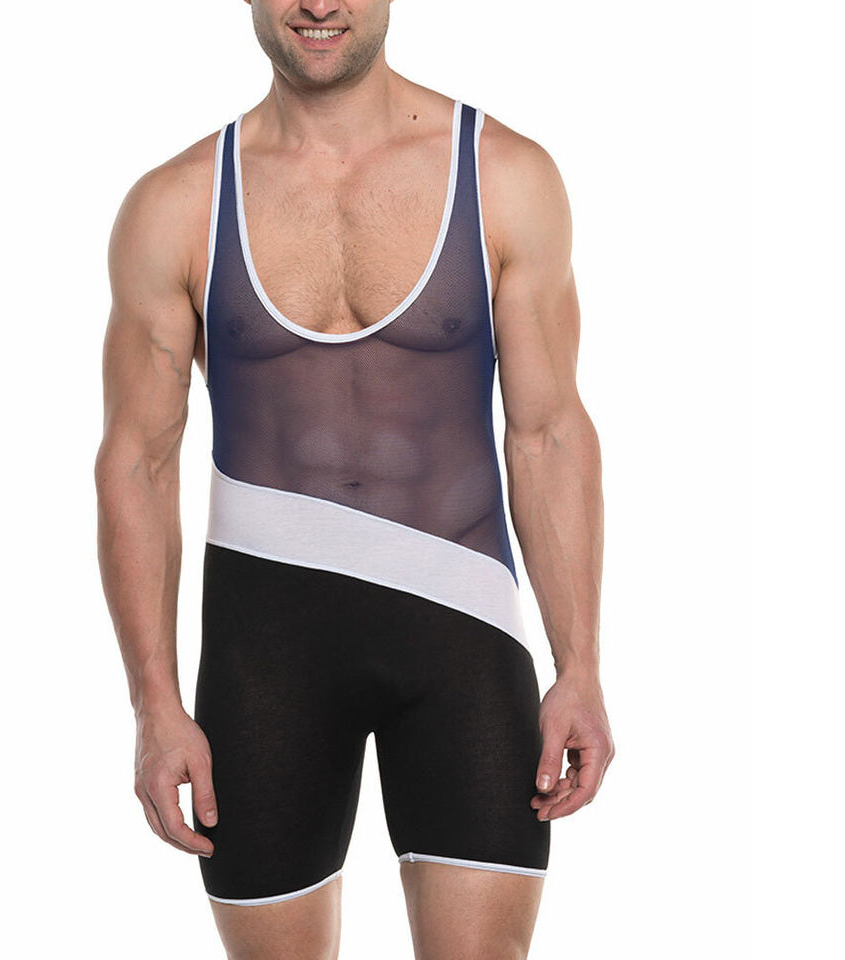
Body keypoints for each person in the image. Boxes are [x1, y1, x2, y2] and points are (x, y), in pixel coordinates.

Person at [95, 1, 614, 956]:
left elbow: (547, 433)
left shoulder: (504, 175)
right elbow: (137, 461)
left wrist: (579, 665)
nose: (319, 3)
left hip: (464, 639)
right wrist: (153, 704)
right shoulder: (175, 204)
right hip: (264, 658)